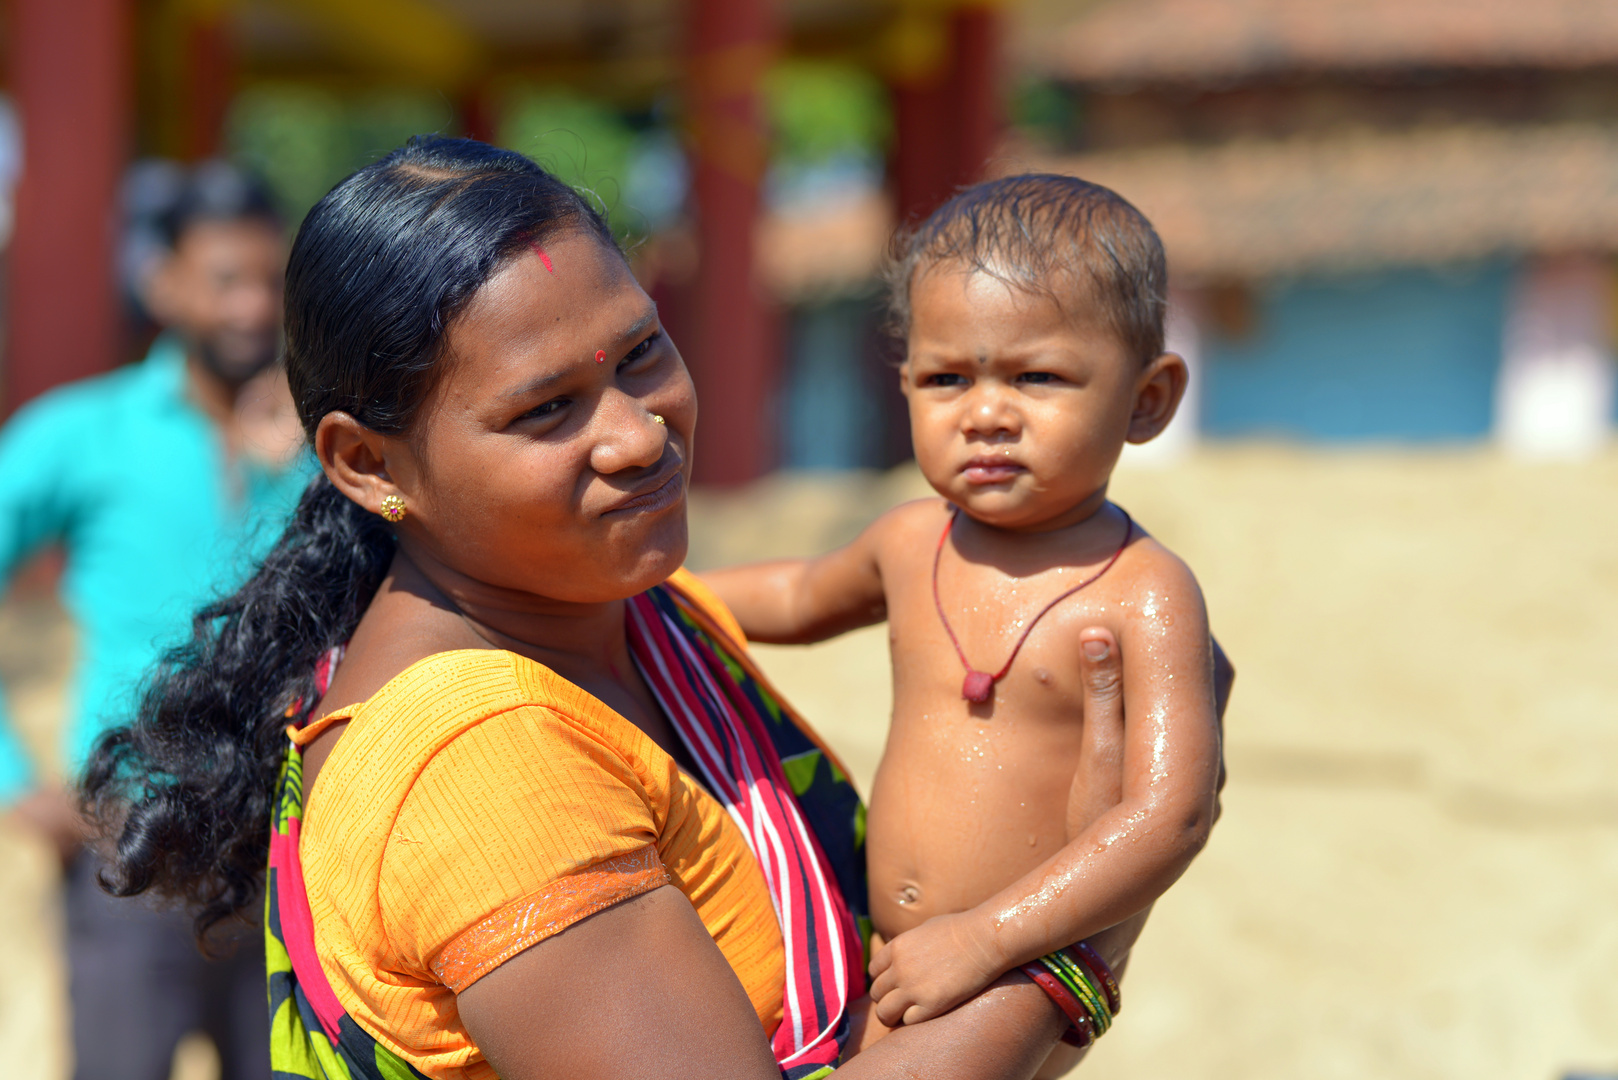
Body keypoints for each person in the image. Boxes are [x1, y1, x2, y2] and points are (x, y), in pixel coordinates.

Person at [80, 138, 1204, 1080]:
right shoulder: (482, 771)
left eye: (642, 355)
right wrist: (1076, 947)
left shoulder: (634, 616)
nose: (636, 434)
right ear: (368, 463)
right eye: (546, 410)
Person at [704, 174, 1231, 1075]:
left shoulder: (1145, 592)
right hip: (889, 957)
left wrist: (988, 940)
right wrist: (649, 587)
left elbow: (1169, 815)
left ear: (1147, 400)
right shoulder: (912, 541)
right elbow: (794, 596)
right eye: (948, 378)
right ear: (906, 383)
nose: (986, 413)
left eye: (1038, 377)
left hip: (1021, 963)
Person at [0, 160, 305, 1080]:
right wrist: (15, 778)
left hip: (294, 846)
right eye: (225, 281)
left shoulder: (330, 444)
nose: (253, 307)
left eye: (269, 282)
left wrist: (308, 461)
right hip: (133, 842)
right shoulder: (83, 433)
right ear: (161, 284)